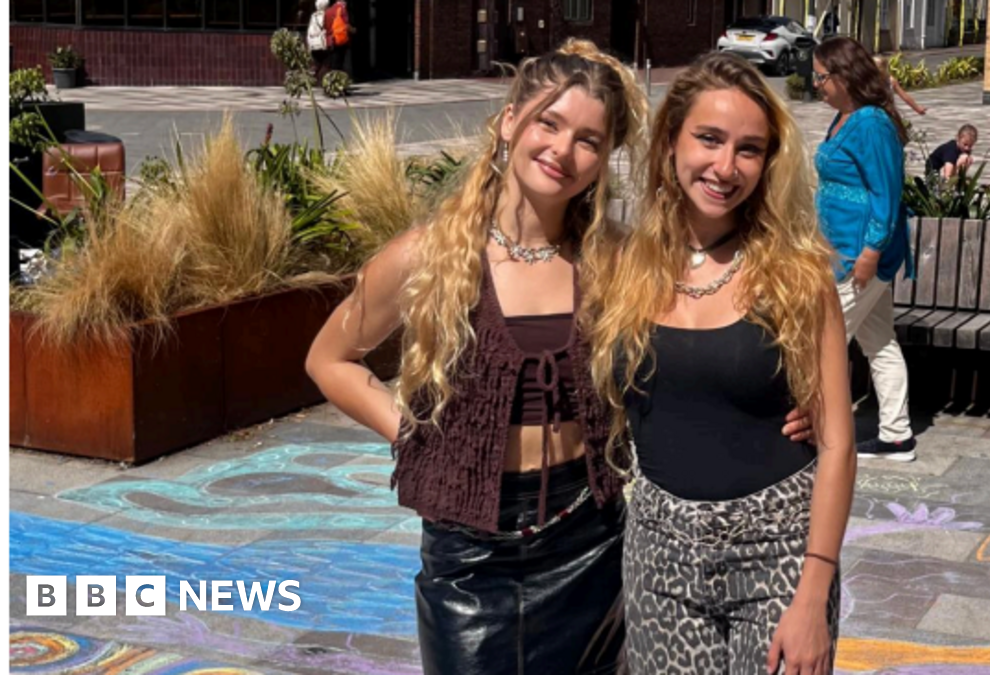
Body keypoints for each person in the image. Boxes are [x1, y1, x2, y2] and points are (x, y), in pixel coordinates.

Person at [305, 40, 813, 674]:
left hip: (591, 542)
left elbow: (710, 339)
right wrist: (417, 437)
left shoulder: (617, 261)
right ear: (509, 120)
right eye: (549, 122)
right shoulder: (429, 256)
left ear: (604, 160)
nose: (563, 151)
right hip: (469, 561)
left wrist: (796, 412)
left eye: (589, 140)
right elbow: (330, 360)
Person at [589, 52, 854, 675]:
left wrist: (813, 594)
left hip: (780, 553)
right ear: (671, 141)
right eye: (709, 139)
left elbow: (840, 445)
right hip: (659, 556)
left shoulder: (796, 275)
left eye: (749, 149)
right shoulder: (622, 266)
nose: (726, 167)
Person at [812, 36, 916, 463]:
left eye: (820, 77)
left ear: (842, 76)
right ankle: (897, 435)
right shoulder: (844, 117)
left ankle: (815, 435)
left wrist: (870, 253)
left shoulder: (871, 123)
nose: (815, 84)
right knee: (880, 341)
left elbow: (885, 194)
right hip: (841, 249)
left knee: (823, 344)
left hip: (860, 257)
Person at [325, 0, 354, 77]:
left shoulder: (328, 10)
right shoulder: (342, 10)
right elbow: (346, 25)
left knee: (332, 63)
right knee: (340, 63)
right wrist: (353, 30)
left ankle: (332, 82)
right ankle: (339, 81)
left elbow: (325, 26)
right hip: (340, 40)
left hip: (330, 39)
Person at [307, 0, 331, 83]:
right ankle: (330, 82)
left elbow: (310, 31)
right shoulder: (326, 15)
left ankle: (311, 79)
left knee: (317, 63)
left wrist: (309, 44)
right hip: (322, 43)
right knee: (328, 63)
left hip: (314, 43)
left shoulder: (313, 16)